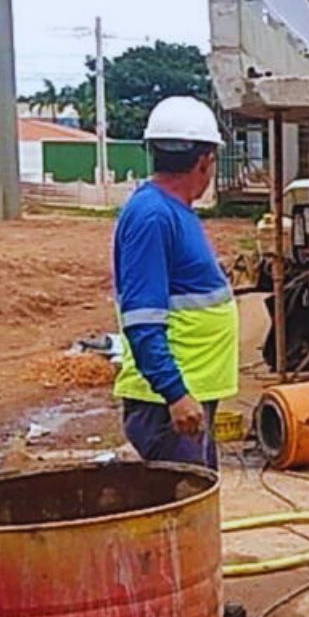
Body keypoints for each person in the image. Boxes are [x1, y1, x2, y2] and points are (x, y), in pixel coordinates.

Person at [113, 96, 238, 469]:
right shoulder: (152, 216)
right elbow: (142, 318)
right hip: (170, 404)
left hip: (188, 394)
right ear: (205, 160)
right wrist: (175, 393)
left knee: (196, 507)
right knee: (180, 517)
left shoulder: (170, 211)